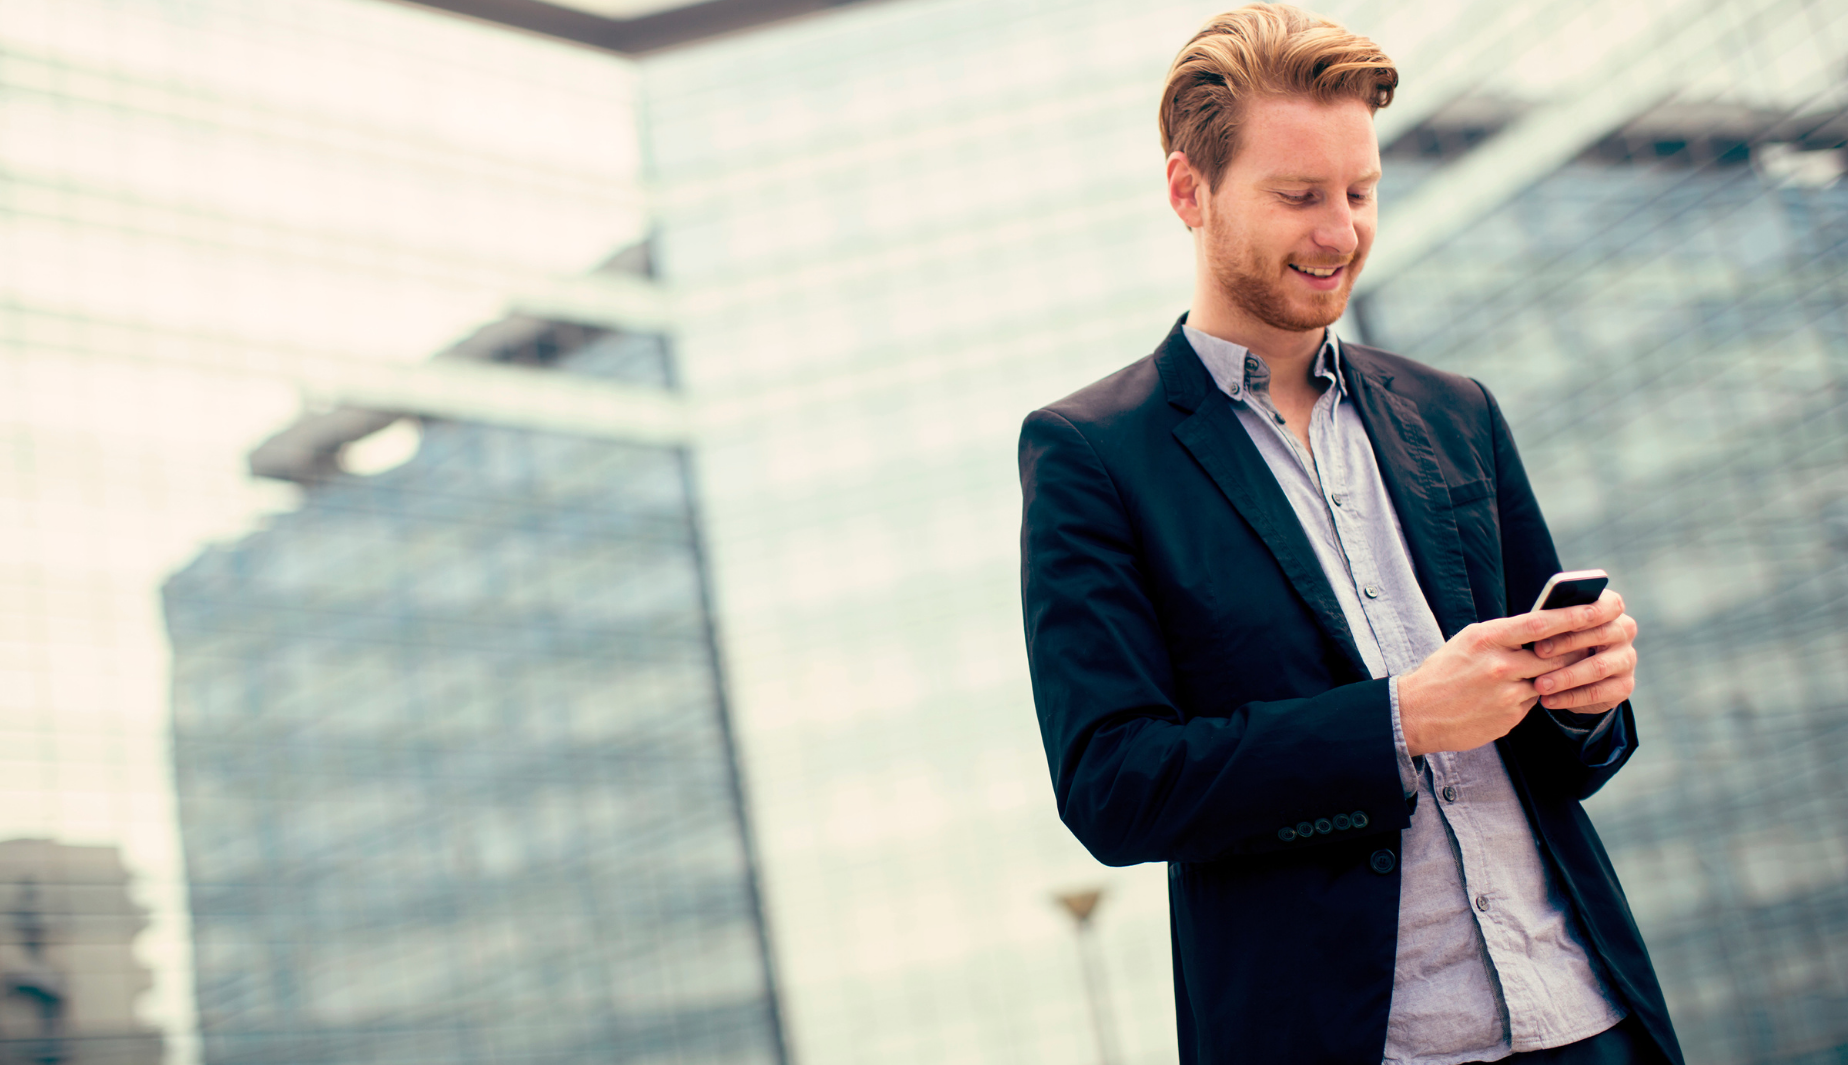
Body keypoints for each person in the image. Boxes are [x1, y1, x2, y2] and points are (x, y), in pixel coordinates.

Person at [1016, 6, 1684, 1063]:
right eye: (1298, 196)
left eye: (1360, 193)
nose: (1341, 231)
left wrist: (1586, 696)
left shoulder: (1455, 410)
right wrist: (1399, 721)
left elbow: (1574, 755)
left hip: (1585, 1017)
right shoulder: (1092, 456)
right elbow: (1115, 784)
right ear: (1189, 191)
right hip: (1355, 1040)